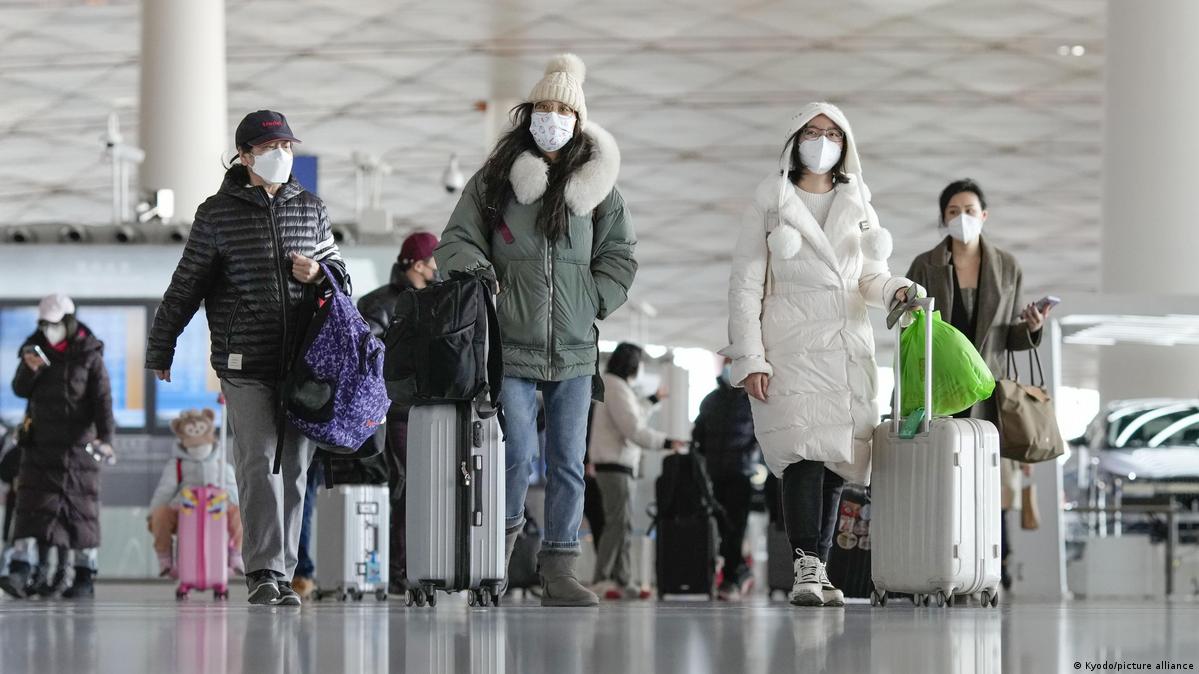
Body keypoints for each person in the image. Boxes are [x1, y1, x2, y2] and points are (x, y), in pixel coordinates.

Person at [437, 53, 637, 607]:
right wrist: (480, 273)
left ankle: (559, 570)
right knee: (518, 454)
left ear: (578, 119)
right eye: (543, 107)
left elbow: (620, 255)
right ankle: (495, 564)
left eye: (562, 109)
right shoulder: (496, 182)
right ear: (528, 114)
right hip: (511, 347)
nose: (552, 117)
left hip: (574, 351)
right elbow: (455, 240)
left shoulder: (599, 191)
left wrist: (594, 299)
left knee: (570, 463)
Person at [146, 110, 351, 606]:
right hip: (244, 362)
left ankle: (283, 571)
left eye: (287, 145)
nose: (282, 154)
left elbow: (341, 277)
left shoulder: (312, 208)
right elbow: (186, 284)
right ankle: (263, 570)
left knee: (298, 467)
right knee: (259, 460)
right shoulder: (217, 214)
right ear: (245, 156)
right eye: (270, 147)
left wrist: (319, 275)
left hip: (303, 363)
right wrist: (162, 344)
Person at [724, 102, 920, 608]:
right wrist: (751, 358)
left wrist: (897, 290)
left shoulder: (858, 202)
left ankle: (822, 567)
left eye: (832, 133)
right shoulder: (770, 201)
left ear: (845, 144)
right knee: (801, 458)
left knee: (838, 463)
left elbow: (869, 276)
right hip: (787, 348)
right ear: (795, 140)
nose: (821, 141)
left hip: (844, 348)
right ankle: (805, 563)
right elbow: (745, 284)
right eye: (812, 132)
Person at [904, 178, 1052, 591]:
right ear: (943, 219)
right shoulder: (924, 266)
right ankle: (943, 564)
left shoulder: (1007, 266)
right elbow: (909, 329)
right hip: (941, 388)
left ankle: (996, 567)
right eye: (953, 212)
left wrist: (1033, 328)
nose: (962, 218)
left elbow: (1010, 336)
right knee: (942, 479)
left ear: (984, 216)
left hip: (989, 389)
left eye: (969, 211)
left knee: (992, 482)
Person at [1, 294, 115, 600]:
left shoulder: (89, 354)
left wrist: (106, 439)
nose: (47, 329)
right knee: (33, 509)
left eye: (53, 324)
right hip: (40, 446)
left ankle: (82, 574)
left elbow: (102, 400)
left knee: (80, 512)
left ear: (67, 322)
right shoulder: (33, 349)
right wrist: (30, 368)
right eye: (43, 324)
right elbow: (19, 389)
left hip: (79, 450)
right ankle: (23, 569)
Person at [356, 230, 439, 593]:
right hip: (397, 412)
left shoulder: (432, 301)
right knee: (403, 486)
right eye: (435, 262)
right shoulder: (382, 304)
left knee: (417, 488)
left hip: (424, 410)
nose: (440, 268)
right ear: (418, 264)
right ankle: (398, 571)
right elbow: (368, 356)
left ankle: (409, 567)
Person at [587, 343, 685, 600]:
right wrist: (665, 442)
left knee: (623, 523)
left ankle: (623, 579)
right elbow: (632, 427)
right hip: (614, 464)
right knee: (617, 523)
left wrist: (652, 400)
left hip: (619, 463)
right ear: (631, 363)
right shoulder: (615, 387)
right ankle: (602, 578)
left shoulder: (618, 387)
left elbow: (634, 413)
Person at [692, 358, 759, 601]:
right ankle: (739, 571)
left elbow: (760, 436)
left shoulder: (753, 400)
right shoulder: (711, 400)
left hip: (742, 473)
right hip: (715, 473)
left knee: (736, 527)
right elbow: (698, 434)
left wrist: (750, 457)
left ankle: (732, 577)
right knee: (723, 525)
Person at [148, 409, 243, 578]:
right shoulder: (177, 464)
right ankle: (165, 557)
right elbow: (165, 491)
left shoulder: (221, 463)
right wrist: (153, 514)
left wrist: (226, 498)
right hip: (185, 509)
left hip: (216, 509)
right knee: (161, 514)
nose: (197, 436)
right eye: (191, 431)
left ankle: (236, 553)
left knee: (239, 515)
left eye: (200, 429)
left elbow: (233, 490)